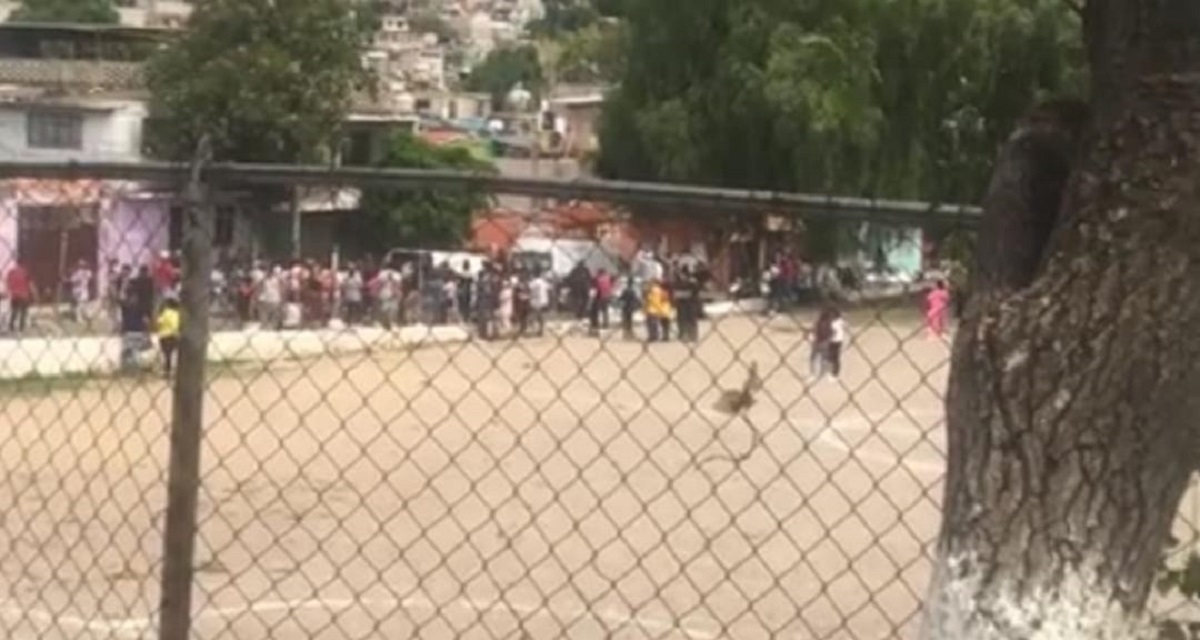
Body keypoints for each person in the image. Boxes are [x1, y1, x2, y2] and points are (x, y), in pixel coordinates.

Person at [156, 297, 181, 379]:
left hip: (164, 336)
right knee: (174, 354)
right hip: (174, 335)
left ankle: (167, 371)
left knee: (167, 355)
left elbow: (159, 322)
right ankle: (173, 371)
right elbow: (176, 325)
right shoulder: (177, 313)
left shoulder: (165, 312)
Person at [6, 261, 33, 334]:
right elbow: (30, 284)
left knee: (14, 311)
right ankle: (21, 328)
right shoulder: (25, 272)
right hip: (23, 295)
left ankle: (11, 327)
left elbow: (8, 283)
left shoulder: (11, 272)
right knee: (23, 312)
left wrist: (10, 291)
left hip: (14, 295)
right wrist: (34, 293)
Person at [827, 307, 848, 379]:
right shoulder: (832, 322)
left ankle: (835, 373)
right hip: (831, 341)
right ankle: (831, 371)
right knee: (830, 357)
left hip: (837, 341)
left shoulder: (839, 321)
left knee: (835, 358)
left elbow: (845, 327)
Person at [528, 270, 550, 337]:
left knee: (537, 316)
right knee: (540, 317)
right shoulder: (541, 282)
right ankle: (540, 330)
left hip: (538, 301)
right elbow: (548, 288)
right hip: (541, 301)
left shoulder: (534, 282)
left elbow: (530, 289)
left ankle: (538, 330)